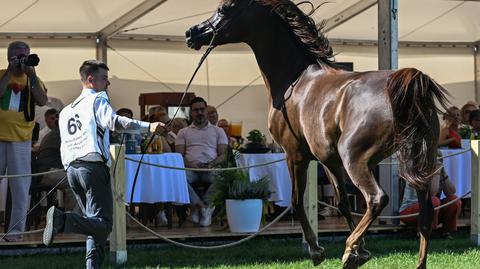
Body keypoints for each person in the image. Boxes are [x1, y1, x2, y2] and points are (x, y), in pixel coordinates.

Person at [42, 60, 165, 269]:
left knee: (94, 223)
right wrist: (148, 127)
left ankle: (93, 266)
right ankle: (63, 220)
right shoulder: (98, 99)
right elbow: (114, 122)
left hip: (72, 169)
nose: (108, 83)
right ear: (91, 79)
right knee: (104, 224)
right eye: (104, 78)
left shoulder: (66, 111)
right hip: (92, 167)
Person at [0, 41, 48, 241]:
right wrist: (9, 72)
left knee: (20, 189)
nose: (21, 61)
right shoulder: (2, 74)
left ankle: (15, 234)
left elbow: (42, 101)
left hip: (21, 140)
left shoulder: (33, 78)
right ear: (8, 57)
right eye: (17, 57)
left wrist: (33, 75)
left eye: (24, 56)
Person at [175, 97, 228, 226]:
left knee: (223, 178)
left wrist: (212, 164)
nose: (199, 112)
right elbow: (178, 156)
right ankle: (201, 207)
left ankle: (202, 207)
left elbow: (223, 155)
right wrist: (190, 164)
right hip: (190, 168)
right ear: (191, 113)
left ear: (206, 111)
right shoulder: (183, 132)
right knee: (177, 178)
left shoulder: (218, 131)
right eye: (196, 110)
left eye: (202, 109)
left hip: (211, 168)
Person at [399, 151, 461, 239]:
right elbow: (432, 192)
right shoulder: (419, 172)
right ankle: (423, 232)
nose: (439, 161)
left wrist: (443, 173)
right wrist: (436, 172)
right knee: (433, 201)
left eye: (440, 159)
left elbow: (451, 192)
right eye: (436, 158)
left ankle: (446, 232)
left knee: (454, 200)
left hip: (429, 209)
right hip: (409, 211)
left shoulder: (438, 170)